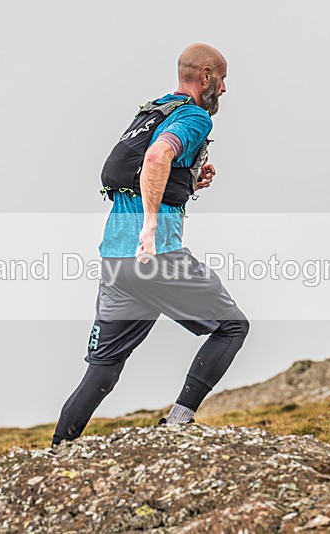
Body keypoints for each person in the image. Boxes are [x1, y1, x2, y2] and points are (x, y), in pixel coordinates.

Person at [51, 43, 249, 447]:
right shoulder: (193, 116)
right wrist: (150, 229)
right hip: (155, 256)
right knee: (232, 327)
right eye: (223, 78)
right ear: (206, 76)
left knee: (102, 370)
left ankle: (56, 453)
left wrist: (189, 181)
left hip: (115, 263)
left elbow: (145, 171)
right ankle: (178, 424)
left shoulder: (154, 110)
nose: (226, 88)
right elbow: (158, 157)